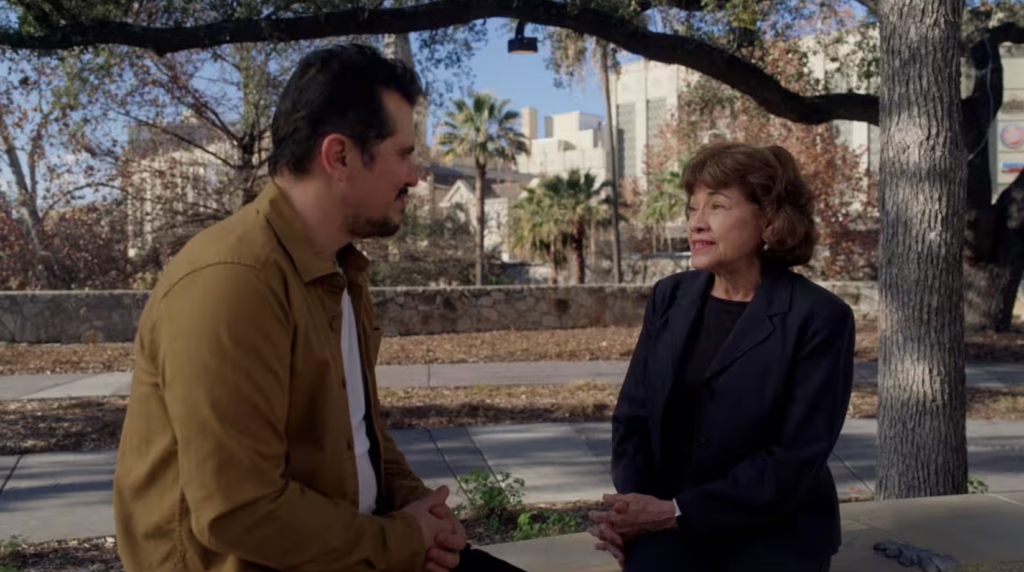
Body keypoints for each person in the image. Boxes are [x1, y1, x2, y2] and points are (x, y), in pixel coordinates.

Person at [113, 44, 527, 572]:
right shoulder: (233, 285)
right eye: (403, 154)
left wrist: (416, 507)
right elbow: (238, 511)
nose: (416, 176)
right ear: (338, 156)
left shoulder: (339, 271)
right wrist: (401, 540)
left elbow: (360, 434)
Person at [588, 142, 855, 572]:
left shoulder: (821, 318)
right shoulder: (669, 296)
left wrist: (675, 512)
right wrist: (635, 512)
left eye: (717, 206)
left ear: (768, 220)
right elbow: (632, 417)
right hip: (669, 522)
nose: (696, 222)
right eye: (692, 208)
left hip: (776, 531)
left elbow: (792, 460)